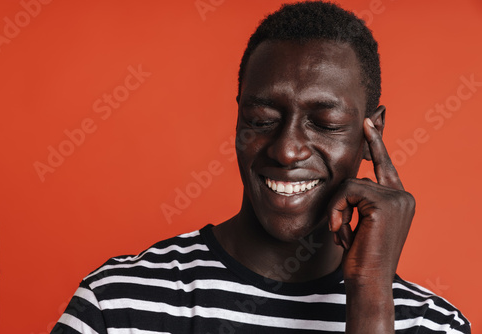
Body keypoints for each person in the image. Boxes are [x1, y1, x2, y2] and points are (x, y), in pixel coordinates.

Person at [51, 1, 470, 333]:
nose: (287, 150)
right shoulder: (117, 301)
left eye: (325, 123)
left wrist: (371, 294)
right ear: (238, 119)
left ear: (370, 133)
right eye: (263, 119)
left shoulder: (434, 325)